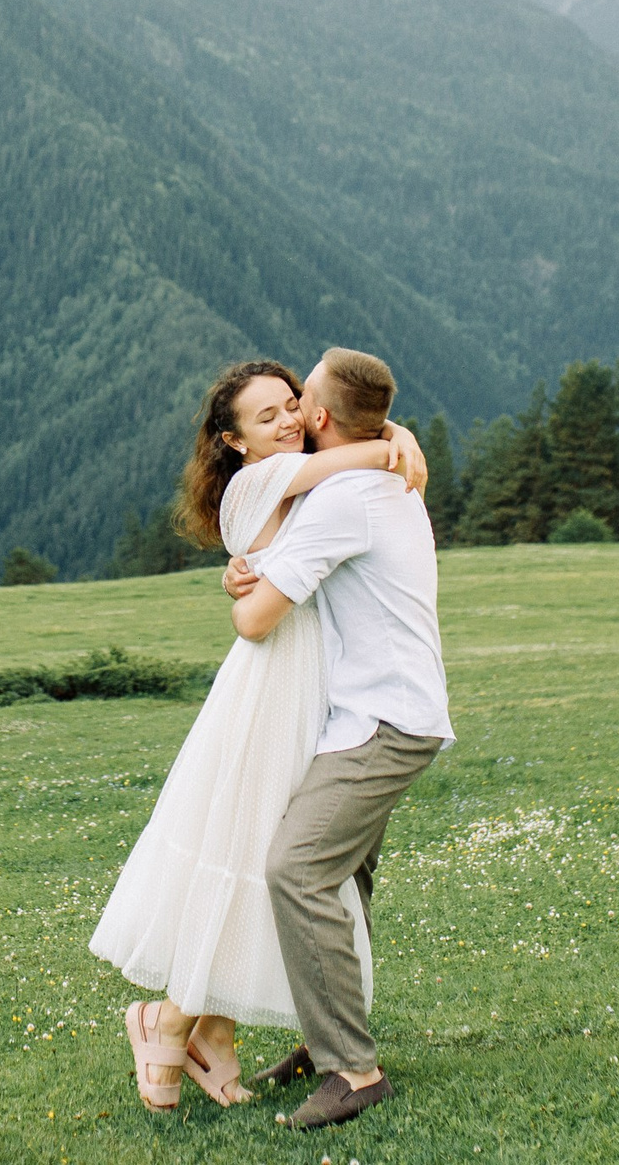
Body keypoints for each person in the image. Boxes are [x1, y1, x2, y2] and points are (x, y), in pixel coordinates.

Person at [93, 358, 426, 1113]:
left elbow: (346, 463)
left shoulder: (311, 478)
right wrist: (392, 440)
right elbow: (357, 455)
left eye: (292, 405)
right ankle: (171, 1019)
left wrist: (391, 433)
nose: (286, 420)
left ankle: (209, 1028)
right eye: (267, 415)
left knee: (278, 858)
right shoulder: (260, 482)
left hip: (314, 691)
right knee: (258, 854)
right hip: (274, 687)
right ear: (233, 441)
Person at [223, 346, 452, 1131]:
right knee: (342, 877)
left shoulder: (344, 495)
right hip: (386, 711)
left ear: (321, 418)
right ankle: (323, 1042)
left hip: (381, 721)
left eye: (301, 399)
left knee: (296, 869)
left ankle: (354, 1071)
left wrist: (245, 585)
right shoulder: (383, 472)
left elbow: (256, 621)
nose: (292, 411)